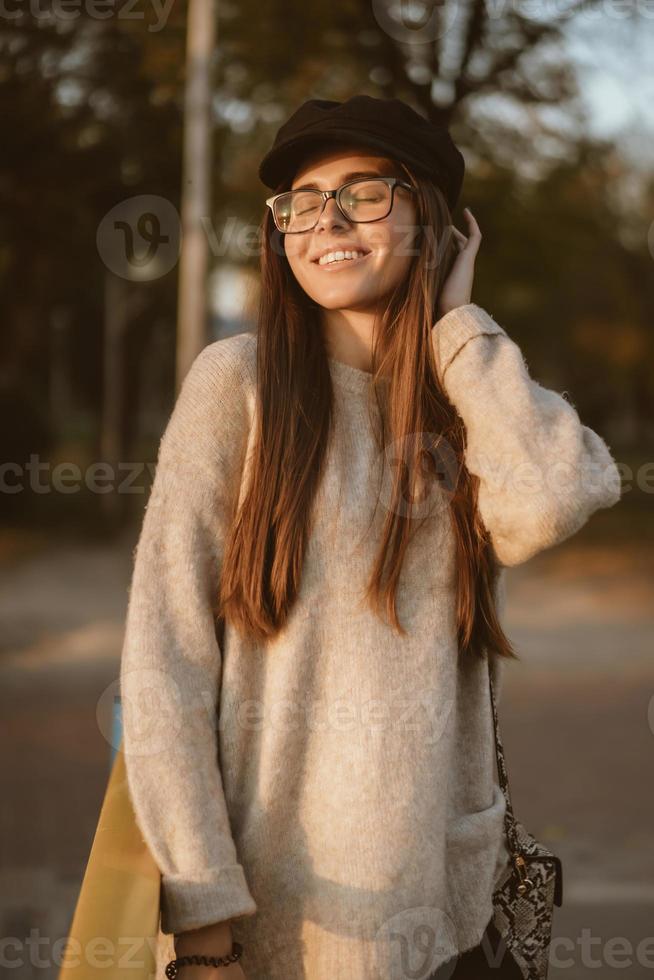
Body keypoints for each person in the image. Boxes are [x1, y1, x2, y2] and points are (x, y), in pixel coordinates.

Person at [119, 96, 622, 980]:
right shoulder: (235, 385)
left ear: (435, 220)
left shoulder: (462, 397)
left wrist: (460, 330)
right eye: (303, 201)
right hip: (278, 928)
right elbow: (165, 666)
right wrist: (202, 922)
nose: (328, 221)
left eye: (366, 192)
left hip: (442, 921)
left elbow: (548, 500)